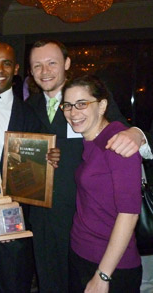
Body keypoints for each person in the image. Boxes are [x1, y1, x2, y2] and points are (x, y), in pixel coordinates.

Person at [26, 39, 151, 292]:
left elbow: (119, 132)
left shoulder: (90, 100)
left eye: (52, 63)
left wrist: (138, 134)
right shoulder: (30, 106)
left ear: (67, 63)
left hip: (85, 216)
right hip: (43, 217)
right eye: (37, 65)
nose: (45, 71)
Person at [0, 43, 60, 292]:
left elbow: (41, 166)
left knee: (14, 282)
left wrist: (51, 159)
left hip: (14, 212)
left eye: (6, 63)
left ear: (16, 69)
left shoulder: (32, 113)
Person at [61, 75, 142, 292]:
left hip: (111, 265)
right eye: (67, 105)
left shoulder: (118, 141)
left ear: (103, 105)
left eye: (82, 104)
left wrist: (103, 275)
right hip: (81, 252)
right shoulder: (90, 141)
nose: (73, 112)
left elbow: (129, 214)